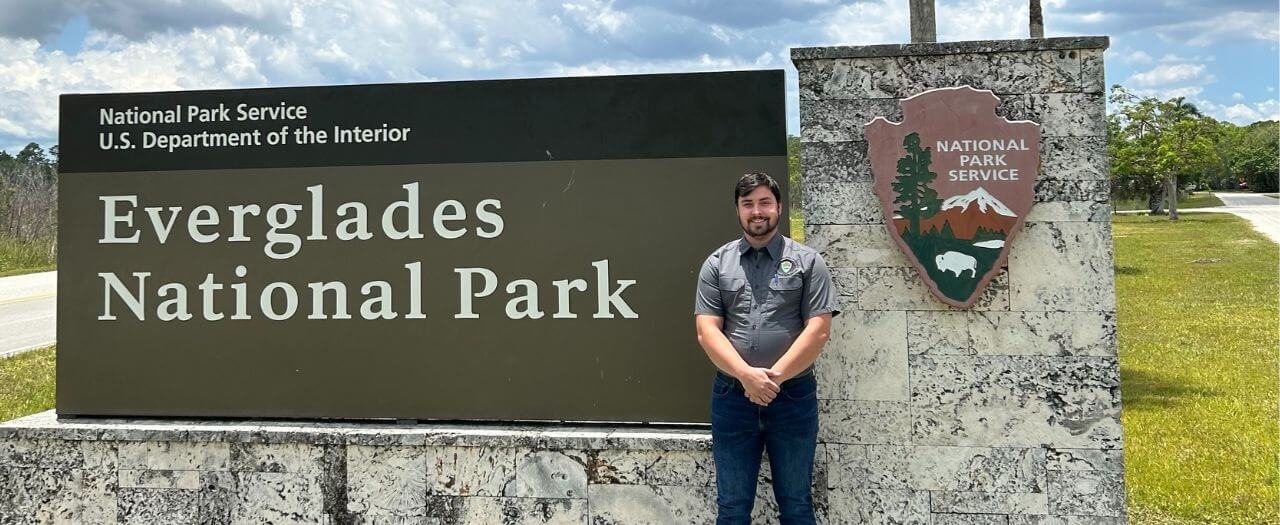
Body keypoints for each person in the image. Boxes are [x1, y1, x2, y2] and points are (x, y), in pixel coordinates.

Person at [693, 172, 838, 524]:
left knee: (797, 503)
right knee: (732, 507)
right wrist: (746, 377)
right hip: (732, 399)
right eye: (748, 204)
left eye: (764, 203)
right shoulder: (717, 264)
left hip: (792, 398)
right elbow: (706, 331)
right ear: (738, 211)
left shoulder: (808, 263)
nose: (757, 211)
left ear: (778, 207)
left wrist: (771, 380)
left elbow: (818, 330)